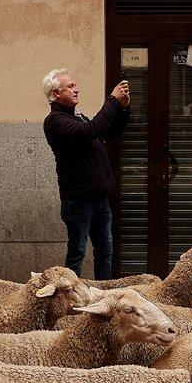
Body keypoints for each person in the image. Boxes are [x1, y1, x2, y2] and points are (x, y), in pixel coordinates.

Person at [42, 68, 130, 280]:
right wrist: (112, 100)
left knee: (105, 253)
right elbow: (90, 131)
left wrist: (122, 109)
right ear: (56, 93)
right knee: (77, 254)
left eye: (75, 85)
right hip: (79, 200)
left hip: (100, 198)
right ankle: (68, 299)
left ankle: (105, 297)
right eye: (70, 86)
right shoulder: (55, 121)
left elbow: (109, 132)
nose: (76, 89)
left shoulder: (77, 118)